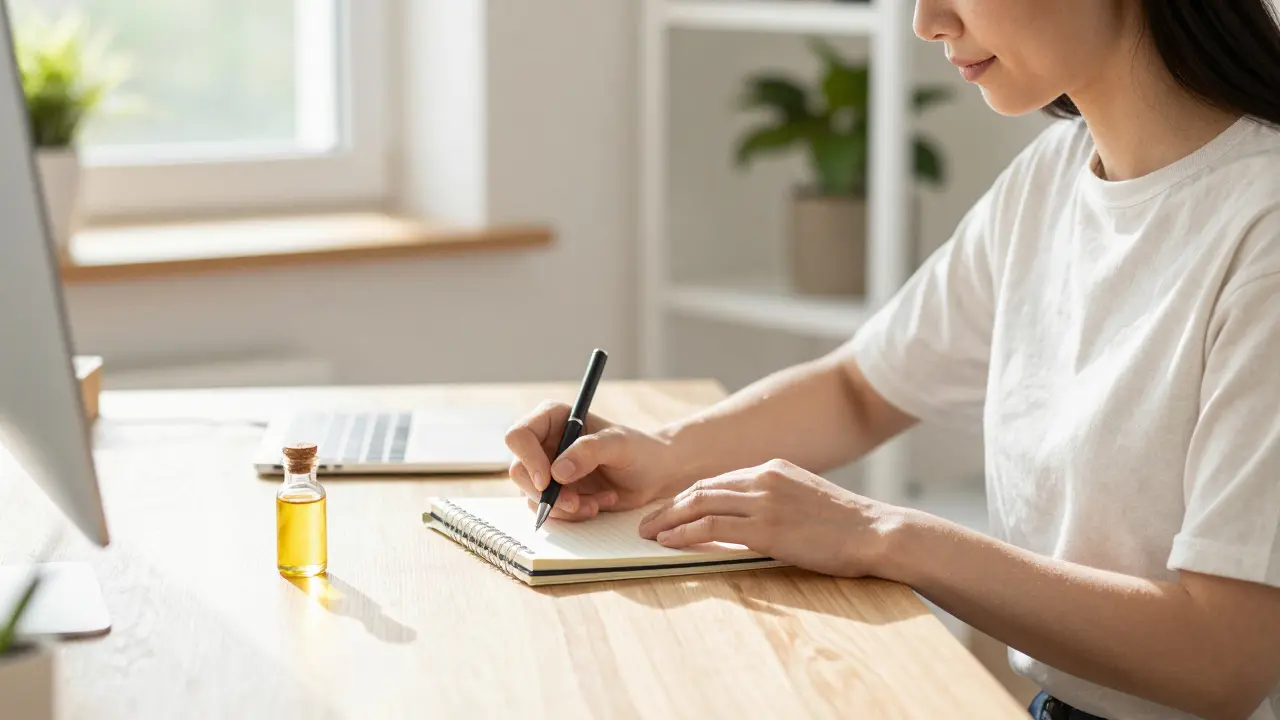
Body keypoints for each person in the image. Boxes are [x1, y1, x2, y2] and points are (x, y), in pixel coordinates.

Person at [505, 1, 1280, 718]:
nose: (925, 20)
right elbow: (861, 387)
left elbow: (1223, 658)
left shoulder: (1262, 227)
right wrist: (663, 455)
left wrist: (881, 534)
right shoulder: (1052, 178)